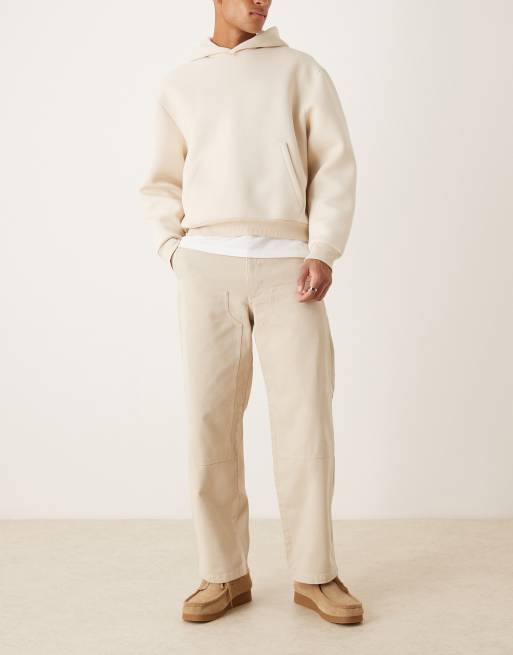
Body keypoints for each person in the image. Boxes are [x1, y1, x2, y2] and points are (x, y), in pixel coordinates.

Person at [139, 0, 363, 625]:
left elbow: (334, 166)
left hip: (290, 268)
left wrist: (322, 249)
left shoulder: (301, 71)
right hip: (206, 267)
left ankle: (315, 574)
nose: (262, 0)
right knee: (209, 423)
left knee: (306, 422)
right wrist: (173, 249)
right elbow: (160, 180)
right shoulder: (180, 83)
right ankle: (223, 573)